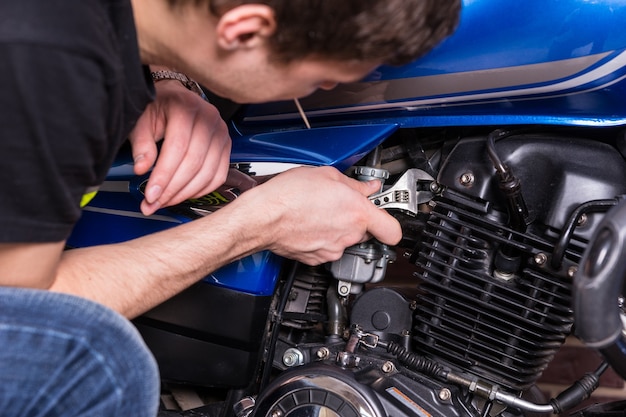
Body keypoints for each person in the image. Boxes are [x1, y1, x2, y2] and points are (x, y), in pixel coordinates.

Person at [0, 0, 461, 415]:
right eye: (324, 75)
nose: (325, 86)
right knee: (105, 366)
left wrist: (163, 79)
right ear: (243, 31)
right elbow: (28, 311)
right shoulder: (45, 62)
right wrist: (261, 222)